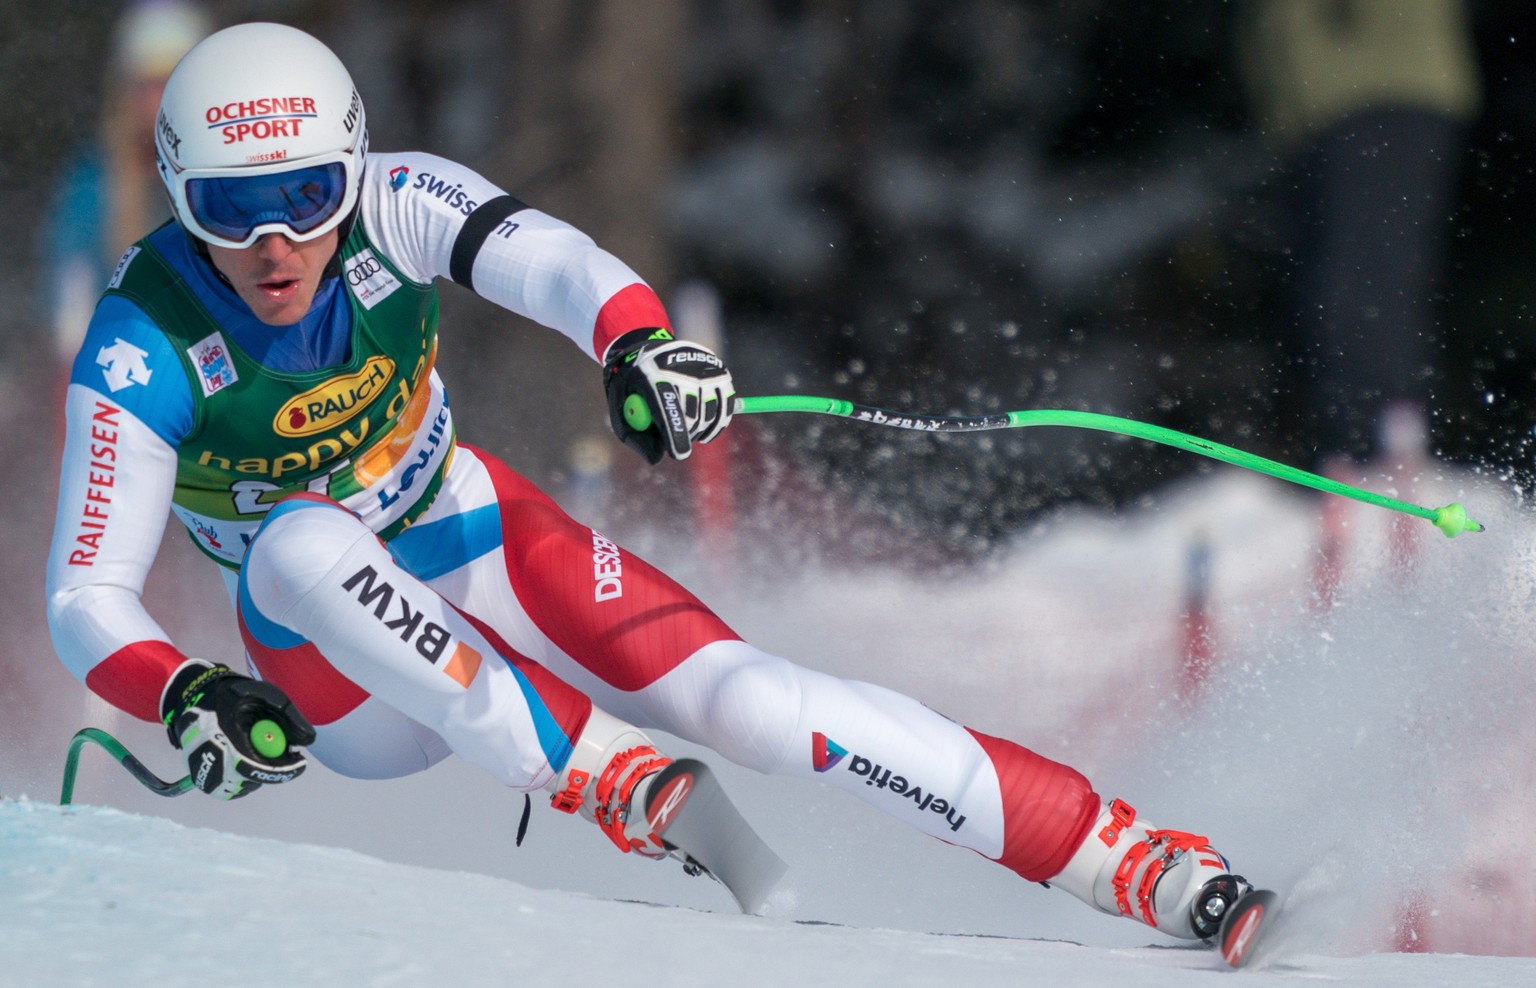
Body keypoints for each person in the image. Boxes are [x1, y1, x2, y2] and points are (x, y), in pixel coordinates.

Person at [45, 22, 1254, 942]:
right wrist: (188, 689)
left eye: (306, 197)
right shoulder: (137, 347)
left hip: (464, 525)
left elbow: (555, 262)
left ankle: (1130, 858)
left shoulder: (398, 201)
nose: (275, 247)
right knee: (295, 546)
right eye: (231, 210)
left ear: (352, 169)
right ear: (177, 194)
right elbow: (87, 597)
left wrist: (635, 341)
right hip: (352, 682)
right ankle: (603, 774)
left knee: (754, 705)